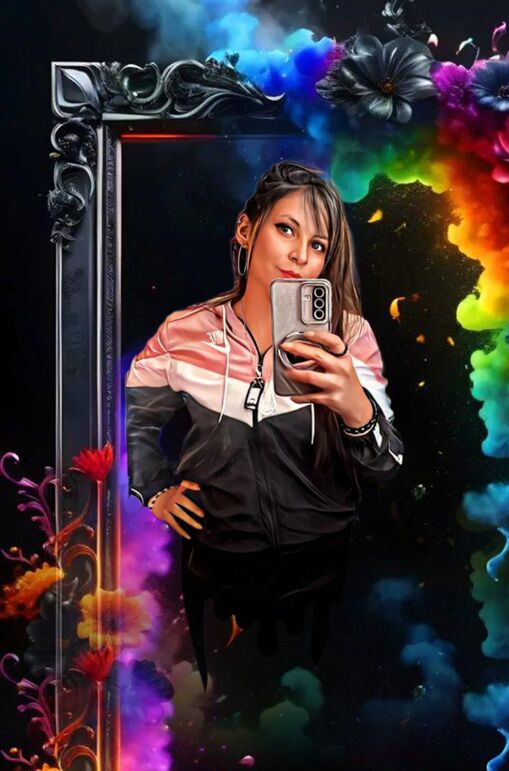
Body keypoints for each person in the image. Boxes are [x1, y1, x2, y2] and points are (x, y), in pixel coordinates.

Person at [125, 161, 404, 691]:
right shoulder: (184, 332)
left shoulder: (348, 337)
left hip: (324, 569)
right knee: (219, 707)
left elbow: (385, 466)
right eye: (286, 229)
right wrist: (154, 490)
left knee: (318, 707)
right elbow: (137, 419)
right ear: (246, 229)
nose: (301, 256)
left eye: (318, 245)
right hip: (215, 569)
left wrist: (355, 407)